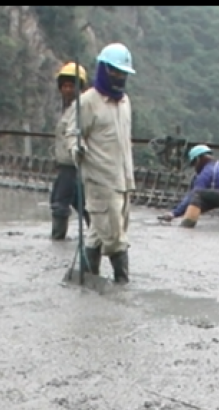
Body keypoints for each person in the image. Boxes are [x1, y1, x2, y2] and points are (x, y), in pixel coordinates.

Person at [62, 42, 135, 284]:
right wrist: (77, 148)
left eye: (122, 73)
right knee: (115, 235)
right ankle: (122, 285)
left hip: (123, 179)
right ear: (103, 69)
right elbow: (73, 133)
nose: (118, 77)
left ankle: (86, 277)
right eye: (114, 71)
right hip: (99, 179)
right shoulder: (88, 102)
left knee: (97, 232)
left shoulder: (124, 102)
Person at [50, 61, 90, 240]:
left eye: (71, 85)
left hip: (73, 166)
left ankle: (58, 238)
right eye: (64, 86)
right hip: (64, 164)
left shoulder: (81, 110)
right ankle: (98, 235)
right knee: (81, 203)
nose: (67, 89)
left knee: (60, 203)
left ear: (80, 88)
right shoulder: (66, 110)